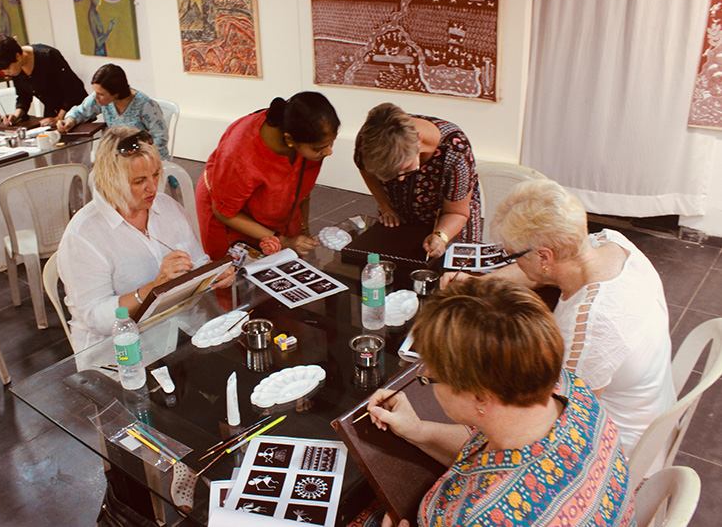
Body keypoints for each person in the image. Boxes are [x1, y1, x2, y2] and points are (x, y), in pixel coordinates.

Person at [368, 279, 635, 526]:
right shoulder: (571, 389)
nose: (424, 375)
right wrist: (419, 431)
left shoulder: (483, 518)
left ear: (481, 397)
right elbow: (480, 461)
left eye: (432, 376)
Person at [443, 179, 675, 457]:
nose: (514, 262)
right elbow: (540, 274)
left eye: (514, 255)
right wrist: (478, 284)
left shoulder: (590, 327)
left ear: (544, 256)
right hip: (652, 403)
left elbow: (553, 425)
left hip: (617, 447)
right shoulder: (612, 244)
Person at [57, 126, 234, 352]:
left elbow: (197, 262)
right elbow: (96, 318)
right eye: (139, 181)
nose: (152, 188)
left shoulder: (167, 207)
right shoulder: (83, 236)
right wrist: (154, 288)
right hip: (123, 348)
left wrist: (212, 274)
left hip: (184, 327)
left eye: (156, 174)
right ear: (111, 180)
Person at [196, 92, 339, 259]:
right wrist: (282, 240)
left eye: (331, 143)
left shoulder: (308, 139)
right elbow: (224, 212)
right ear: (289, 140)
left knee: (288, 263)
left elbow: (303, 190)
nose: (329, 152)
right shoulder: (241, 153)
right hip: (229, 215)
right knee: (238, 270)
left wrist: (303, 231)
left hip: (274, 213)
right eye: (320, 148)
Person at [354, 102, 481, 259]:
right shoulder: (369, 140)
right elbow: (366, 171)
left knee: (451, 270)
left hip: (452, 218)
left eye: (406, 168)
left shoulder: (456, 150)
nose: (401, 179)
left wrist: (441, 236)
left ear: (418, 141)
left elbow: (457, 212)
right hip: (402, 215)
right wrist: (385, 206)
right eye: (391, 176)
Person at [57, 63, 170, 160]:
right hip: (119, 157)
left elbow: (160, 138)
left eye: (101, 94)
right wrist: (70, 120)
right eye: (95, 92)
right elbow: (80, 111)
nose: (96, 97)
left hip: (145, 159)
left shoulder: (145, 105)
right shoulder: (100, 99)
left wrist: (141, 159)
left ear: (116, 93)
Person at [0, 34, 87, 127]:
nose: (6, 73)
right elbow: (23, 96)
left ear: (18, 56)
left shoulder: (48, 56)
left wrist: (59, 118)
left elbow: (73, 90)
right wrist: (16, 115)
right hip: (52, 113)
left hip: (76, 112)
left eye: (7, 68)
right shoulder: (16, 68)